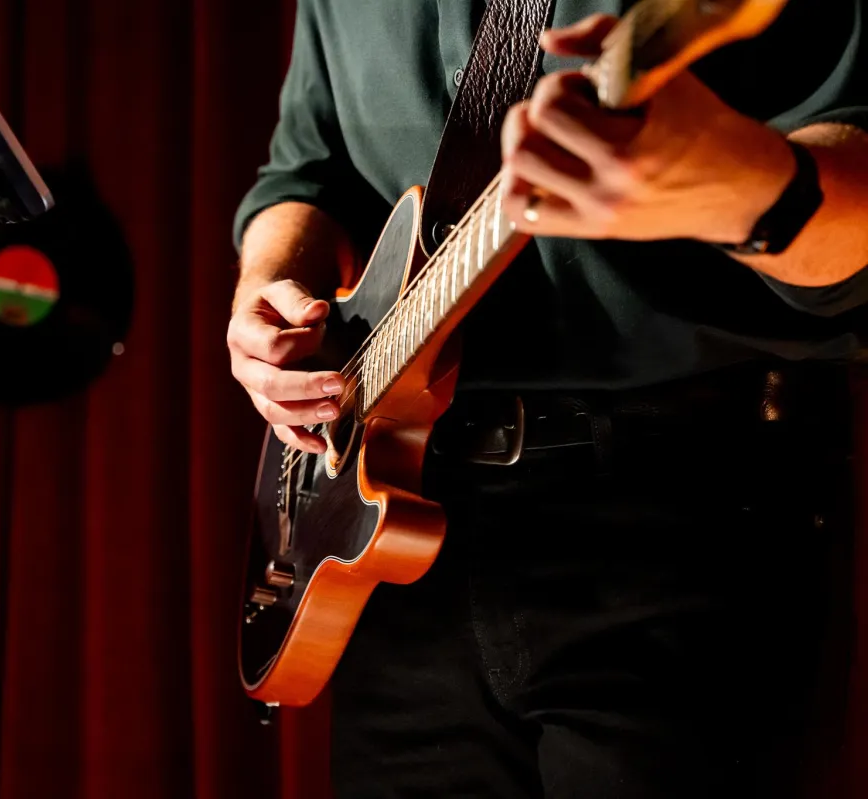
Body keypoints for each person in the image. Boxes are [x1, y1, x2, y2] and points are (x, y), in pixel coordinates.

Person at [227, 2, 868, 798]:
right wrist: (267, 286)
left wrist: (750, 186)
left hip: (690, 520)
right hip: (401, 538)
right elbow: (304, 170)